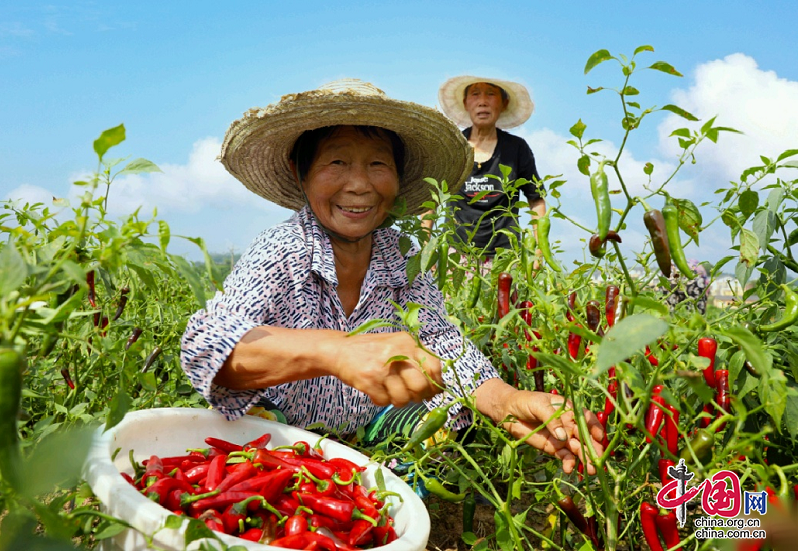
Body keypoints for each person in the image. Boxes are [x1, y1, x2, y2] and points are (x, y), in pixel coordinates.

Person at [180, 79, 602, 474]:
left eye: (378, 163)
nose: (360, 185)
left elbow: (443, 344)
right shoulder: (284, 250)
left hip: (367, 428)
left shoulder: (401, 255)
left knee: (438, 420)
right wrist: (336, 351)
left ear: (398, 177)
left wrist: (509, 400)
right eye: (337, 161)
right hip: (279, 438)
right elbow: (204, 347)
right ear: (299, 171)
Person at [424, 76, 545, 263]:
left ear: (504, 103)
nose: (482, 102)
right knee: (452, 293)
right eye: (475, 94)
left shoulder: (517, 149)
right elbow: (431, 201)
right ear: (465, 103)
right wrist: (426, 249)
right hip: (456, 256)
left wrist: (538, 252)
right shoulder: (452, 147)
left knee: (505, 293)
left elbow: (536, 200)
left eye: (491, 94)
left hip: (505, 257)